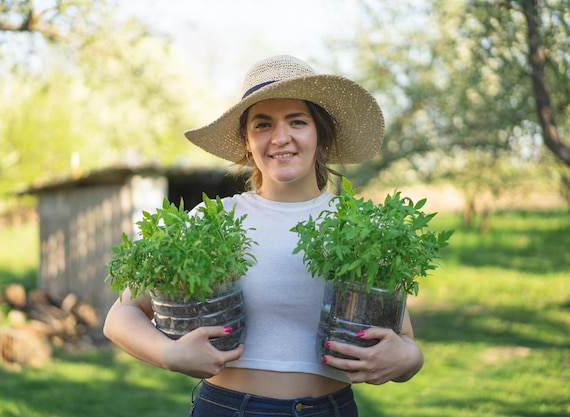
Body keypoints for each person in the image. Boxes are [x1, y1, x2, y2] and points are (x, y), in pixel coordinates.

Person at [103, 54, 424, 416]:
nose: (280, 138)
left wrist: (408, 360)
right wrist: (171, 354)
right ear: (247, 141)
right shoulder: (213, 222)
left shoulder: (360, 227)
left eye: (297, 121)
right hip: (227, 408)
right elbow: (121, 316)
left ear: (320, 134)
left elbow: (406, 341)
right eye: (263, 124)